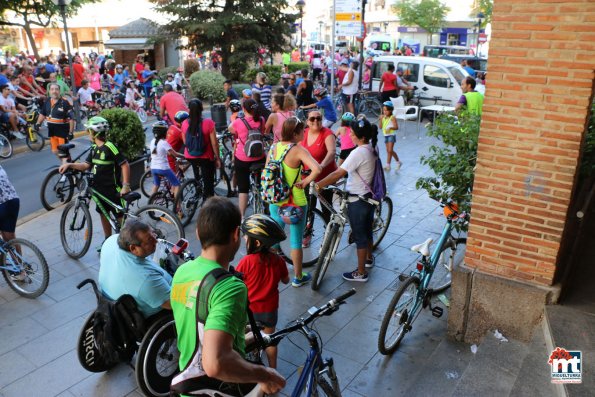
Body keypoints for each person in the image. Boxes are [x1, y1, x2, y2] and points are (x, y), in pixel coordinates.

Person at [170, 197, 286, 395]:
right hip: (218, 388)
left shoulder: (182, 271)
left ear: (198, 233)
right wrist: (265, 374)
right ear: (235, 235)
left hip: (190, 385)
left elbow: (200, 325)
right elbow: (216, 362)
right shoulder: (230, 287)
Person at [315, 117, 379, 282]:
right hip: (368, 197)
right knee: (366, 230)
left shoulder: (358, 152)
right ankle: (369, 259)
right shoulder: (372, 146)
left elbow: (338, 173)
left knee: (360, 236)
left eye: (353, 133)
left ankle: (360, 272)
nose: (350, 135)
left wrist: (318, 185)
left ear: (361, 137)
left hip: (357, 200)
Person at [58, 117, 131, 246]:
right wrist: (70, 165)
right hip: (99, 189)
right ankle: (107, 240)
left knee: (119, 216)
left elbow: (125, 165)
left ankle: (127, 241)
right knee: (103, 213)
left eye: (89, 131)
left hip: (113, 189)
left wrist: (125, 185)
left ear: (95, 133)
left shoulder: (110, 147)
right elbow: (86, 165)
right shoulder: (93, 148)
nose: (88, 133)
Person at [267, 117, 321, 287]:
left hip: (276, 199)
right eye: (302, 130)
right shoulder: (298, 150)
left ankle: (270, 271)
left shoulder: (274, 147)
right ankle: (298, 276)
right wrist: (305, 182)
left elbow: (268, 168)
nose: (304, 132)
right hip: (295, 202)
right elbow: (317, 168)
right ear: (295, 133)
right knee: (296, 241)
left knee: (274, 236)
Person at [236, 214, 289, 368]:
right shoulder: (278, 260)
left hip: (250, 310)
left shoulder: (246, 261)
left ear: (257, 242)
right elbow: (286, 280)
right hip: (270, 310)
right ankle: (273, 368)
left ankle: (244, 366)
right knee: (270, 339)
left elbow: (237, 281)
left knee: (245, 338)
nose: (245, 240)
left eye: (246, 237)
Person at [98, 219, 172, 318]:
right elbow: (172, 303)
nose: (156, 241)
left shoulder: (110, 241)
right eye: (149, 240)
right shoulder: (145, 279)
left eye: (153, 235)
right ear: (133, 248)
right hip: (154, 315)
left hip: (112, 304)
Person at [229, 98, 266, 218]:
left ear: (243, 109)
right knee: (263, 184)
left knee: (243, 189)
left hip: (242, 159)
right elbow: (264, 132)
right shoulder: (261, 120)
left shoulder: (239, 122)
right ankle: (265, 207)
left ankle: (242, 216)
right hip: (260, 158)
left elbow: (231, 130)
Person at [301, 109, 337, 224]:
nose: (315, 121)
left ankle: (330, 230)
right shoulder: (304, 132)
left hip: (325, 176)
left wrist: (321, 165)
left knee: (326, 207)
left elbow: (331, 152)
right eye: (312, 118)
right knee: (308, 206)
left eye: (318, 118)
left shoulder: (327, 133)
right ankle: (308, 231)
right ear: (307, 121)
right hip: (307, 176)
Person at [182, 99, 220, 199]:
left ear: (189, 109)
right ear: (202, 109)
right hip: (206, 157)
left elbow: (185, 142)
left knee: (196, 169)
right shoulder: (208, 123)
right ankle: (207, 200)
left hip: (190, 156)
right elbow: (214, 144)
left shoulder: (185, 123)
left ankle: (197, 188)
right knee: (209, 183)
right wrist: (217, 158)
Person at [35, 83, 74, 162]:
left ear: (59, 91)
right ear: (49, 91)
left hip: (62, 132)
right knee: (55, 151)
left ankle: (66, 166)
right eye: (52, 89)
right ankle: (67, 163)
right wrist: (38, 123)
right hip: (52, 132)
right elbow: (43, 113)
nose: (54, 91)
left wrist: (70, 132)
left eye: (56, 89)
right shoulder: (47, 101)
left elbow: (71, 119)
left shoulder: (65, 102)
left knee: (63, 152)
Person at [150, 121, 184, 198]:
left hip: (153, 168)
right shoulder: (164, 142)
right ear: (164, 132)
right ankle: (178, 208)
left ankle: (150, 204)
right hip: (163, 168)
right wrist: (185, 156)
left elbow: (156, 153)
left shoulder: (152, 142)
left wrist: (171, 155)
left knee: (156, 185)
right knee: (177, 184)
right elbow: (175, 153)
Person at [379, 101, 401, 171]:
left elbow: (396, 127)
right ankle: (395, 163)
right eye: (384, 110)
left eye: (386, 110)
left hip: (391, 135)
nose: (384, 112)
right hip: (385, 135)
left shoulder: (392, 117)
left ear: (391, 110)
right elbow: (380, 127)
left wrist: (390, 128)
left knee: (390, 150)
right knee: (389, 151)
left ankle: (392, 164)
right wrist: (380, 119)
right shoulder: (383, 117)